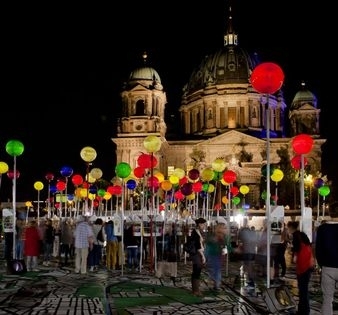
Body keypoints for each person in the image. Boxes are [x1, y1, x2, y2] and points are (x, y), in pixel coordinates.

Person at [315, 201, 338, 315]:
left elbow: (318, 250)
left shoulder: (322, 229)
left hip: (327, 267)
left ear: (330, 212)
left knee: (327, 299)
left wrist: (321, 265)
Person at [287, 220, 314, 315]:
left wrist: (293, 254)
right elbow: (309, 246)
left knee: (302, 289)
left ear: (291, 228)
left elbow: (297, 249)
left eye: (288, 228)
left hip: (302, 266)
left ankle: (303, 311)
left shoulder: (295, 236)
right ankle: (305, 310)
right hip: (308, 265)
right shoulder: (302, 234)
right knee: (304, 289)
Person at [205, 217, 227, 291]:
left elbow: (224, 246)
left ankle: (215, 284)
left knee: (216, 270)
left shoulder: (221, 236)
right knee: (215, 270)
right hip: (214, 255)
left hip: (217, 255)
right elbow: (208, 244)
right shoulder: (213, 236)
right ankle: (215, 284)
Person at [190, 217, 207, 297]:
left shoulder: (199, 232)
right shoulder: (196, 232)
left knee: (197, 271)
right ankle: (195, 290)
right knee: (197, 271)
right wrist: (203, 256)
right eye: (203, 224)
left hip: (198, 254)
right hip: (197, 254)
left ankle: (196, 290)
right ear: (199, 224)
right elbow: (198, 246)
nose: (204, 226)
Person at [237, 218, 257, 287]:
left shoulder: (242, 231)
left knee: (248, 266)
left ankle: (251, 281)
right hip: (251, 251)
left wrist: (240, 247)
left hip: (247, 251)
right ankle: (251, 280)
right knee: (249, 266)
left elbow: (240, 241)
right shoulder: (250, 231)